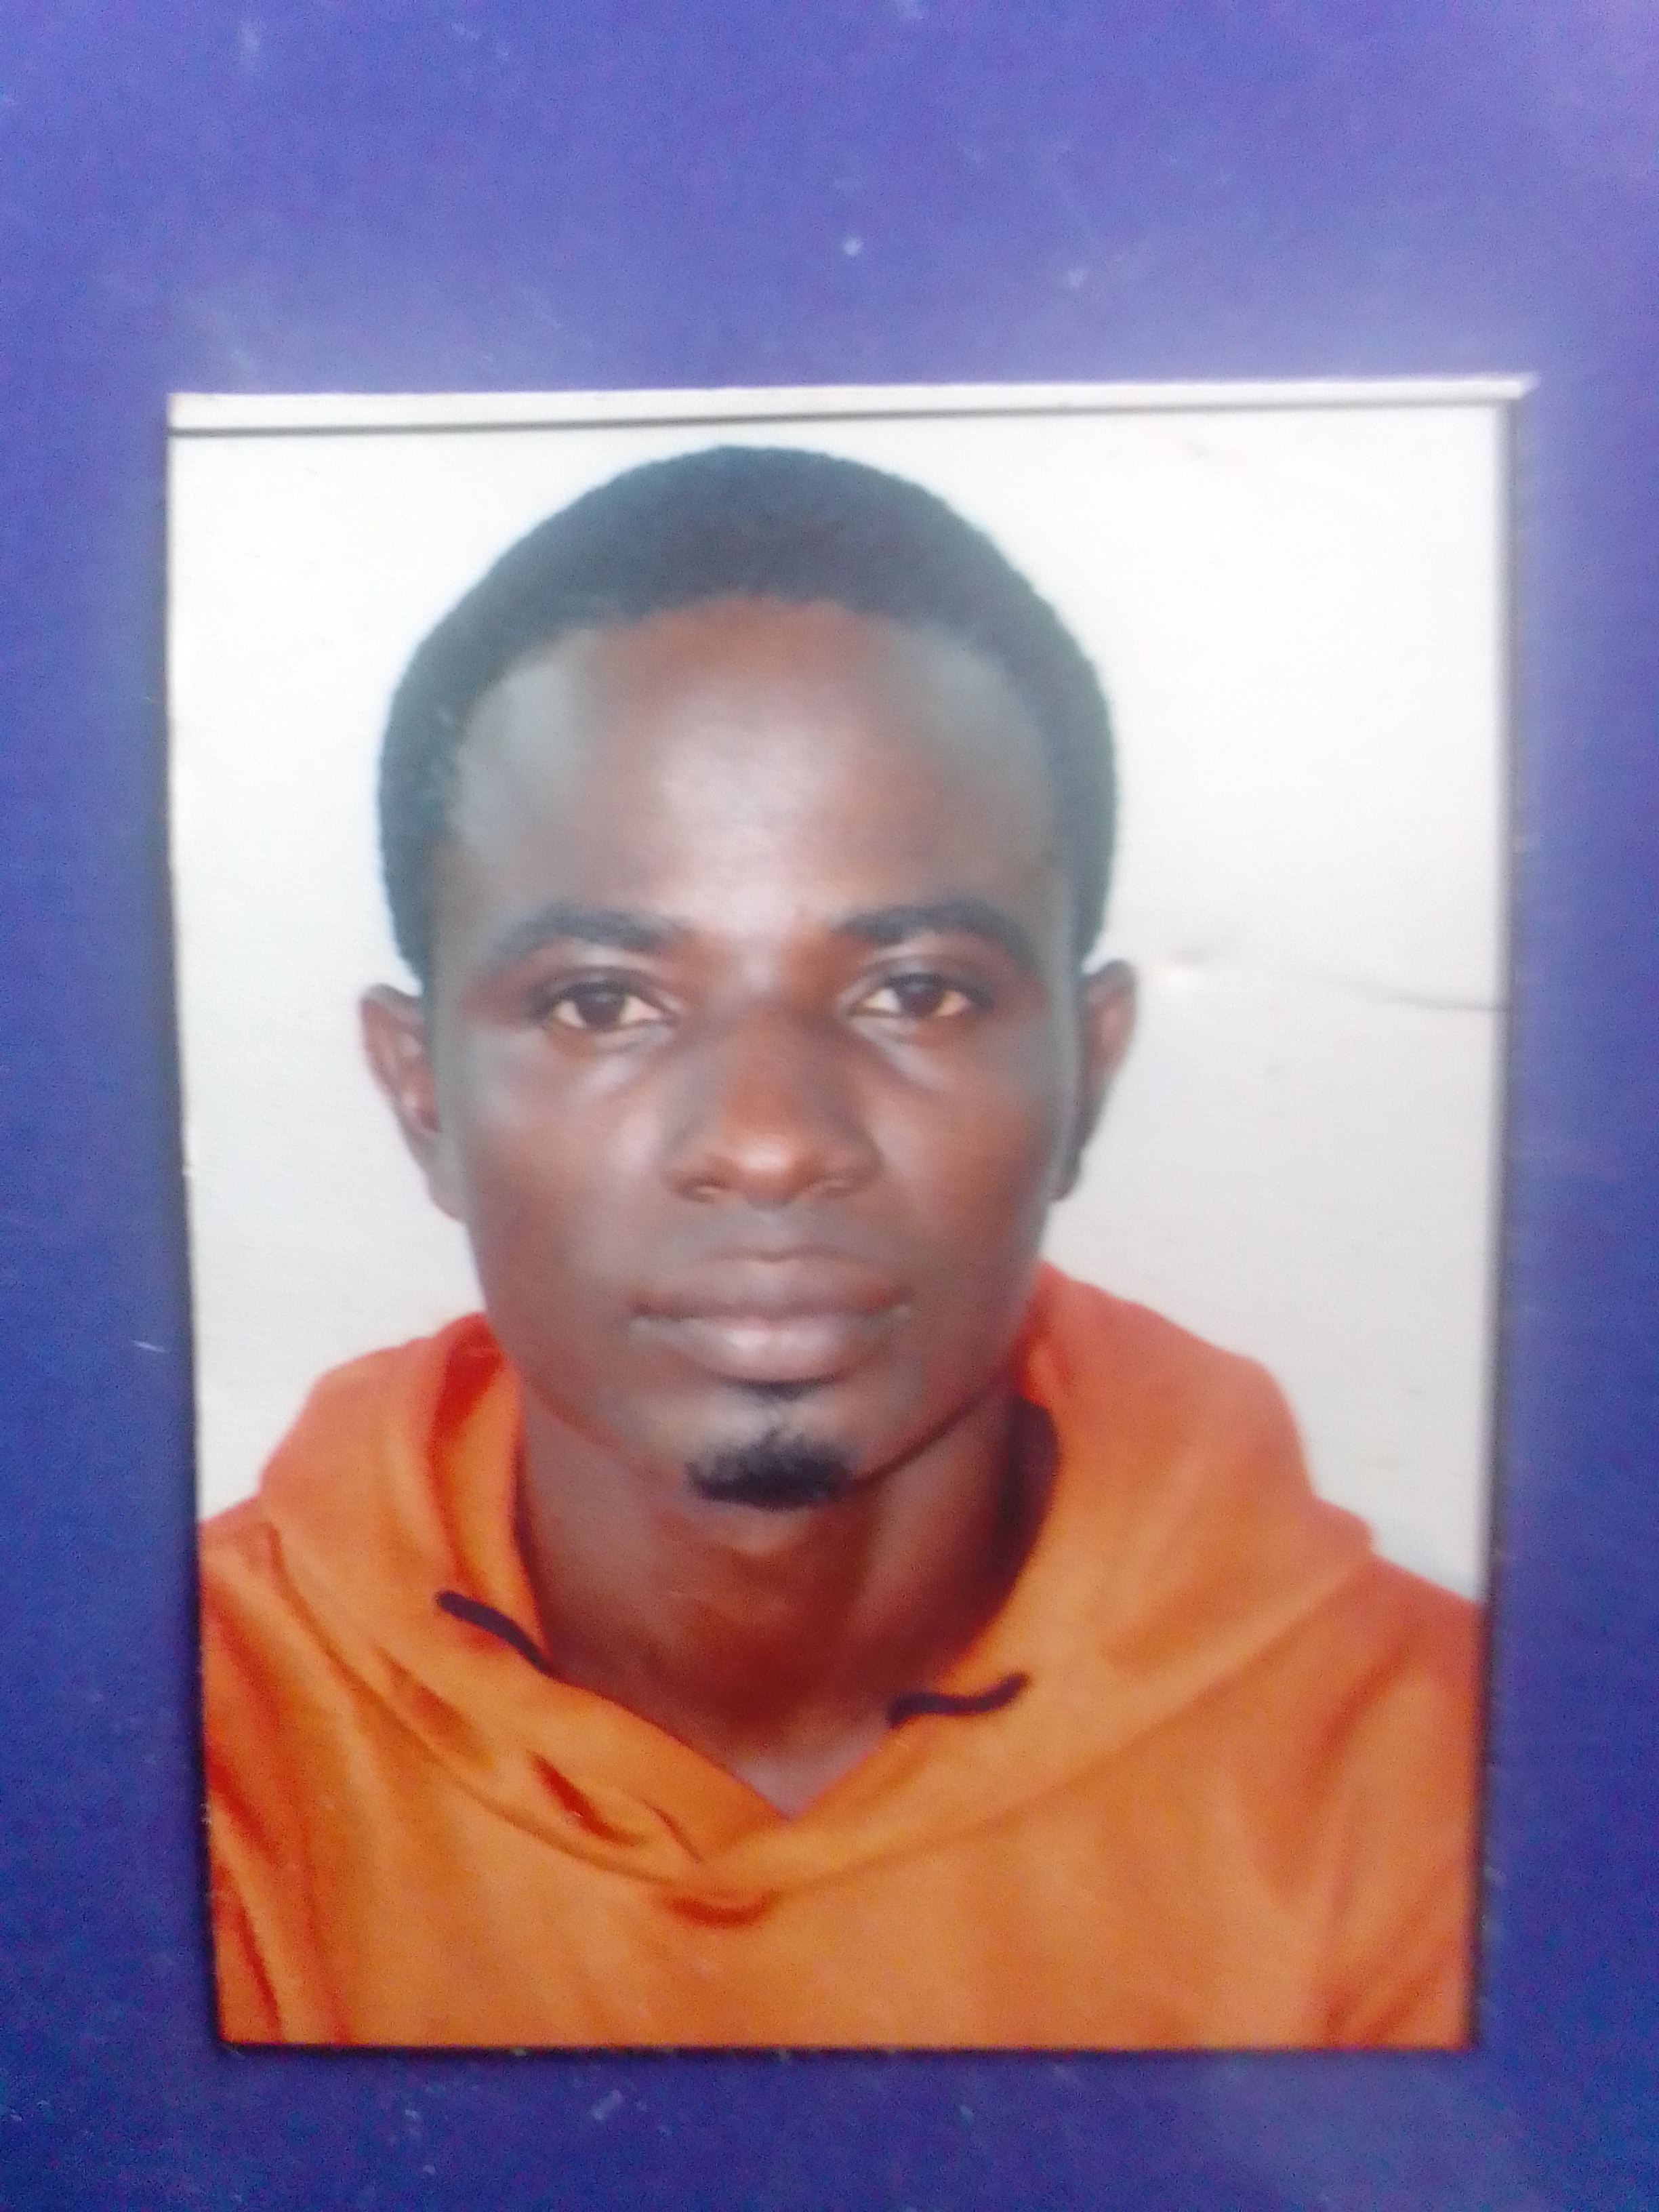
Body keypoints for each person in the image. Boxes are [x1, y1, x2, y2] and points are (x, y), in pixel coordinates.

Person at [199, 445, 1481, 2048]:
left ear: (1087, 1075)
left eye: (915, 992)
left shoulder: (1444, 1778)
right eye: (602, 1003)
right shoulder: (162, 1752)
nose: (769, 1139)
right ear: (422, 1097)